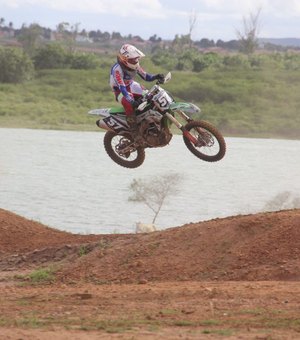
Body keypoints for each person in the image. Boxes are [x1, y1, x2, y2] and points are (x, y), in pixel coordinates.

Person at [110, 44, 164, 140]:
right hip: (119, 90)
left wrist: (156, 76)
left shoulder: (136, 64)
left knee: (151, 95)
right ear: (124, 59)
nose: (135, 61)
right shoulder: (117, 69)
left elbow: (146, 76)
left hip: (131, 85)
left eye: (136, 59)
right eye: (132, 59)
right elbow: (122, 87)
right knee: (129, 104)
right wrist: (132, 101)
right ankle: (134, 131)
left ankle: (154, 121)